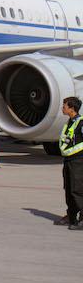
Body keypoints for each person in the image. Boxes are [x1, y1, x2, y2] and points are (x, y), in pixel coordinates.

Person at [57, 97, 83, 229]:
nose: (63, 108)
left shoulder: (81, 123)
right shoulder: (70, 122)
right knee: (68, 189)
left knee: (77, 189)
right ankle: (71, 216)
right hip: (68, 160)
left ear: (72, 108)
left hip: (78, 161)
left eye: (64, 106)